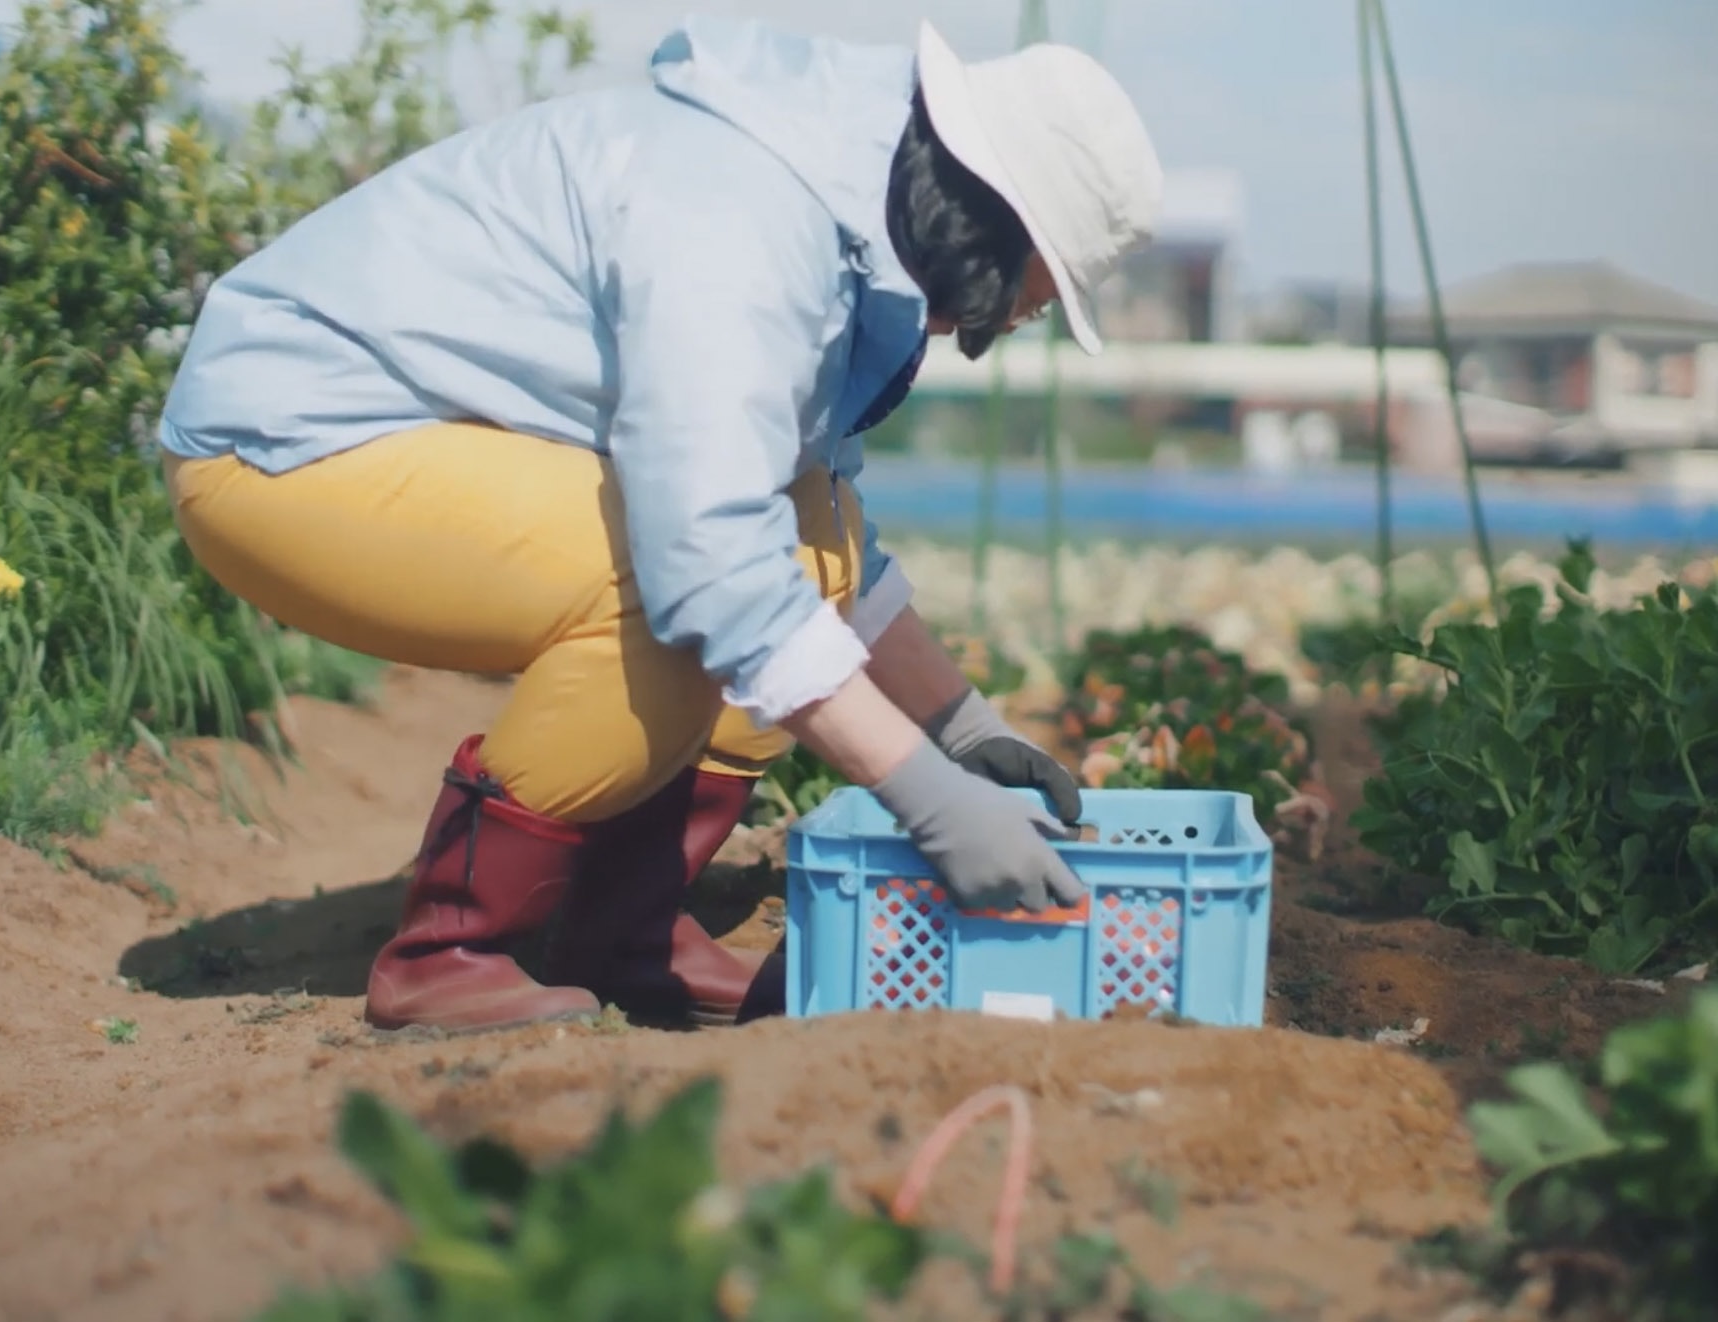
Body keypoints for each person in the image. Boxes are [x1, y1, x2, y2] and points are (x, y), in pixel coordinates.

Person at [154, 15, 1169, 1034]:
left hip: (401, 430)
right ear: (983, 225)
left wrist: (961, 730)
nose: (996, 326)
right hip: (285, 440)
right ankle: (447, 950)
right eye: (1015, 300)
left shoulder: (836, 227)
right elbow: (713, 561)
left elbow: (815, 524)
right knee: (668, 585)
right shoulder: (741, 217)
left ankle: (623, 933)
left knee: (802, 534)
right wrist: (922, 792)